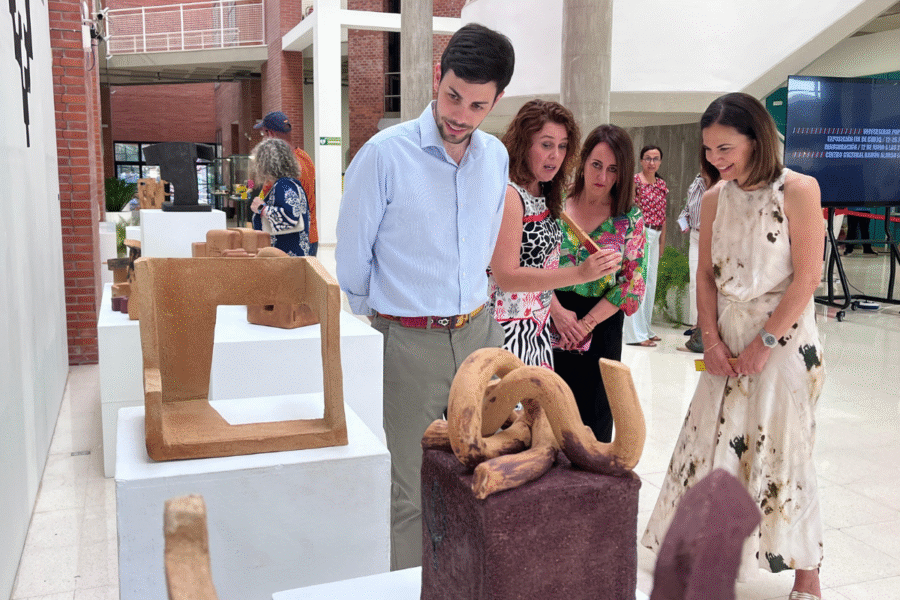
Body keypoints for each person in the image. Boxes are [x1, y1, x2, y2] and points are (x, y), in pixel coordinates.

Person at [335, 23, 515, 570]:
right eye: (453, 96)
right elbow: (352, 259)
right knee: (410, 490)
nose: (460, 114)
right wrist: (387, 323)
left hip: (481, 335)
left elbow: (484, 243)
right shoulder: (383, 155)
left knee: (488, 469)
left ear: (496, 101)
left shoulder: (496, 158)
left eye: (477, 105)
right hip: (408, 343)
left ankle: (470, 579)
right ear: (438, 77)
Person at [642, 92, 826, 600]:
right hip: (727, 333)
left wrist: (766, 342)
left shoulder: (798, 190)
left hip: (785, 338)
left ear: (756, 139)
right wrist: (711, 339)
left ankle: (807, 571)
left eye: (725, 148)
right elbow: (704, 275)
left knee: (785, 447)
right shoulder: (714, 197)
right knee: (713, 440)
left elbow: (808, 277)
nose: (716, 159)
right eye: (709, 149)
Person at [488, 100, 621, 368]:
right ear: (524, 144)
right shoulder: (511, 194)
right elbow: (506, 277)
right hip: (505, 330)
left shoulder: (545, 191)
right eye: (546, 145)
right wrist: (580, 274)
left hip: (536, 328)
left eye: (562, 146)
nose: (555, 155)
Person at [550, 125, 647, 442]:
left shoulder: (629, 218)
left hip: (601, 323)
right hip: (549, 314)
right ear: (582, 161)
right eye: (596, 164)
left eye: (613, 169)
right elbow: (531, 262)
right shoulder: (555, 202)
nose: (602, 177)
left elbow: (631, 283)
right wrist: (557, 312)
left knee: (594, 420)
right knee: (545, 413)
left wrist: (586, 323)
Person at [254, 111, 318, 255]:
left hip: (289, 242)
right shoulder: (305, 157)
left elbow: (287, 214)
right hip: (309, 235)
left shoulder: (281, 172)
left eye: (263, 134)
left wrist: (259, 207)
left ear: (270, 134)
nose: (263, 139)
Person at [623, 144, 668, 347]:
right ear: (641, 161)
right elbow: (629, 208)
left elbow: (664, 216)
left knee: (650, 283)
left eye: (655, 158)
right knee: (637, 281)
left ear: (660, 161)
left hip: (656, 234)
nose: (652, 162)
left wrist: (662, 241)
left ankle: (646, 329)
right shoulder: (635, 181)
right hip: (639, 233)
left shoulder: (662, 184)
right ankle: (635, 335)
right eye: (648, 158)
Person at [249, 138, 312, 256]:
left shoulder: (284, 185)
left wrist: (261, 208)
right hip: (289, 255)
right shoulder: (290, 184)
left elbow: (290, 217)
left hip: (285, 257)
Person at [678, 172, 710, 353]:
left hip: (712, 237)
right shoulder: (696, 183)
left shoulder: (721, 182)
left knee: (709, 283)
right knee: (694, 282)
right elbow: (687, 209)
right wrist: (684, 221)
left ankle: (706, 331)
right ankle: (696, 328)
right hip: (696, 235)